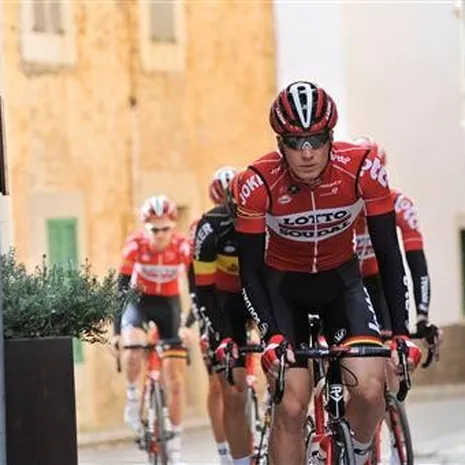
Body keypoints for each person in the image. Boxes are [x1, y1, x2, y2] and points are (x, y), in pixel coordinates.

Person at [233, 80, 422, 465]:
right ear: (280, 143)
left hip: (341, 283)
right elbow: (249, 272)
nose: (307, 153)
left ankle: (351, 451)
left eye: (317, 140)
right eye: (295, 142)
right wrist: (271, 334)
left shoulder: (362, 167)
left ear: (331, 137)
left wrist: (402, 331)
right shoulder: (257, 182)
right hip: (284, 289)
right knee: (291, 404)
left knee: (370, 389)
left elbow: (389, 254)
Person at [115, 194, 191, 465]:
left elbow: (197, 290)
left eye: (165, 229)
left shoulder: (182, 247)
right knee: (133, 345)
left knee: (176, 380)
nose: (160, 235)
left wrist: (188, 325)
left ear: (174, 227)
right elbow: (121, 291)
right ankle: (133, 398)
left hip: (169, 305)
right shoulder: (134, 246)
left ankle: (176, 446)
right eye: (154, 230)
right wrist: (116, 332)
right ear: (145, 229)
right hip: (140, 302)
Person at [192, 166, 254, 465]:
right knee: (233, 391)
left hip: (262, 296)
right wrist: (223, 336)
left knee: (291, 383)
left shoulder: (269, 218)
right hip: (224, 302)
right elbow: (201, 289)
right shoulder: (210, 226)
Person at [354, 136, 434, 340]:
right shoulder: (338, 203)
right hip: (346, 283)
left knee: (390, 345)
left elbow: (416, 262)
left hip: (377, 283)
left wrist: (422, 315)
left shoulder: (399, 203)